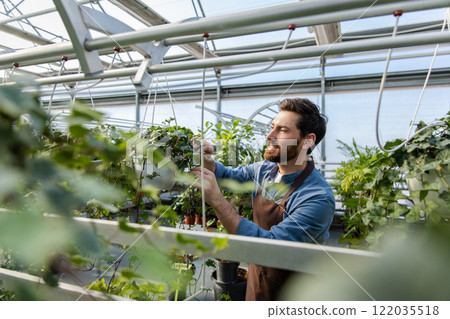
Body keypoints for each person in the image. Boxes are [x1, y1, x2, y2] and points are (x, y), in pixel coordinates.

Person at [191, 98, 335, 301]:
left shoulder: (316, 197)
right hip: (257, 280)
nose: (269, 136)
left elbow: (270, 246)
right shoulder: (265, 171)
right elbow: (227, 174)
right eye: (272, 127)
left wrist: (217, 200)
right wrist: (205, 159)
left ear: (308, 140)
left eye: (282, 130)